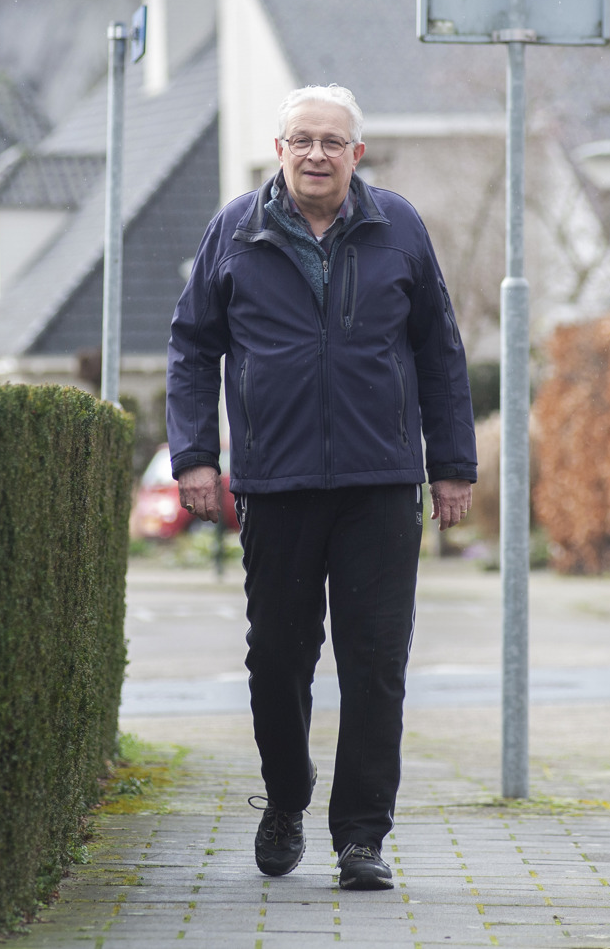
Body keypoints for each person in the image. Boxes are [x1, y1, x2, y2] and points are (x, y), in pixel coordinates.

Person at [166, 84, 477, 891]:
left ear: (356, 154)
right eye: (301, 140)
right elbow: (192, 346)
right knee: (276, 658)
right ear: (279, 151)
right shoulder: (234, 230)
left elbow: (440, 349)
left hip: (381, 482)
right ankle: (285, 798)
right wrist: (194, 456)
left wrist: (452, 464)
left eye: (332, 141)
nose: (316, 154)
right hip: (276, 482)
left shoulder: (398, 226)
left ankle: (362, 837)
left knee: (375, 663)